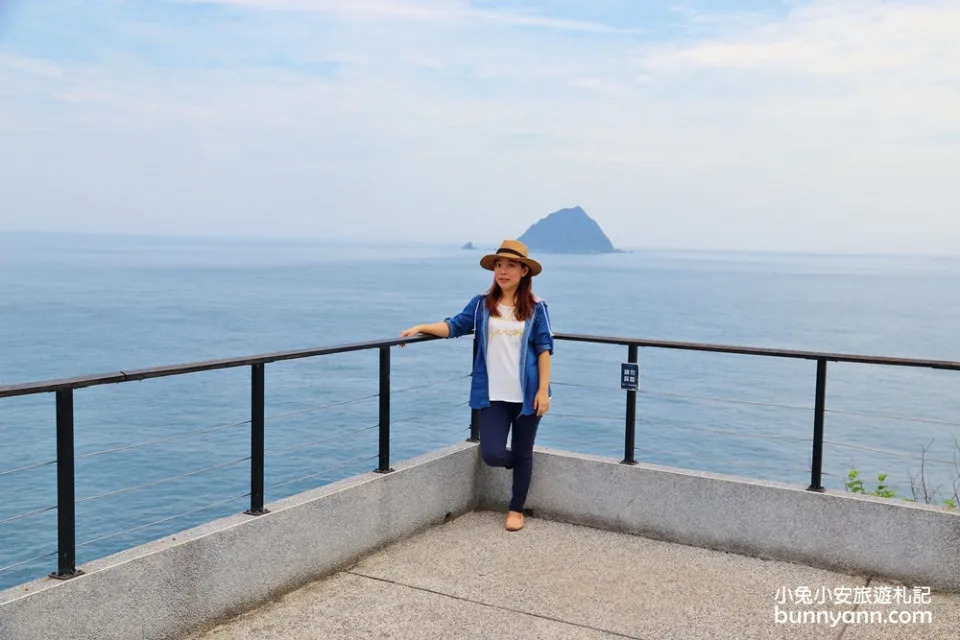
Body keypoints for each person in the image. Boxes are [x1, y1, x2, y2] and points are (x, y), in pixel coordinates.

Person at [400, 239, 554, 532]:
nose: (503, 271)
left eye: (510, 265)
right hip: (493, 395)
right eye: (499, 265)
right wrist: (421, 327)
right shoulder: (483, 304)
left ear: (524, 271)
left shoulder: (536, 307)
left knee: (523, 450)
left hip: (527, 396)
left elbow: (545, 348)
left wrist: (543, 390)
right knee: (492, 453)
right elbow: (455, 325)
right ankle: (521, 466)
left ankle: (516, 509)